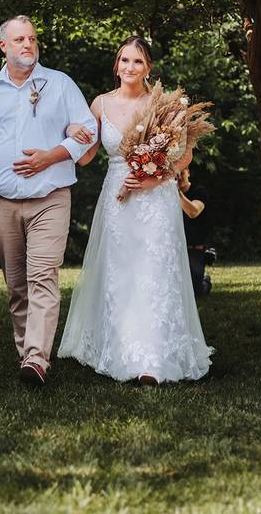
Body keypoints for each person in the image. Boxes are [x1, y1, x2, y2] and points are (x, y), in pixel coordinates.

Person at [57, 36, 214, 384]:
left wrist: (154, 178)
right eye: (124, 60)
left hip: (156, 198)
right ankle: (121, 350)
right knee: (121, 272)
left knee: (155, 271)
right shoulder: (99, 104)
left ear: (148, 68)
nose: (130, 67)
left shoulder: (163, 106)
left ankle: (153, 361)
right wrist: (71, 133)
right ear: (116, 65)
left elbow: (184, 155)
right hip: (117, 197)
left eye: (138, 62)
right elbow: (86, 156)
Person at [0, 15, 97, 386]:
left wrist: (52, 155)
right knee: (17, 284)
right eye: (19, 40)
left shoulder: (60, 83)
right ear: (3, 45)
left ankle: (37, 358)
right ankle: (28, 355)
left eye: (32, 39)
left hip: (51, 198)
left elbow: (89, 130)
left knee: (42, 276)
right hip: (2, 201)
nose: (28, 45)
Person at [179, 168, 213, 296]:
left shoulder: (199, 192)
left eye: (181, 173)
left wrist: (175, 192)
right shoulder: (165, 195)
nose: (179, 178)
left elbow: (193, 211)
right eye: (175, 175)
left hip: (194, 248)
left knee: (196, 292)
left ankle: (205, 280)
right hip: (174, 247)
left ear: (188, 172)